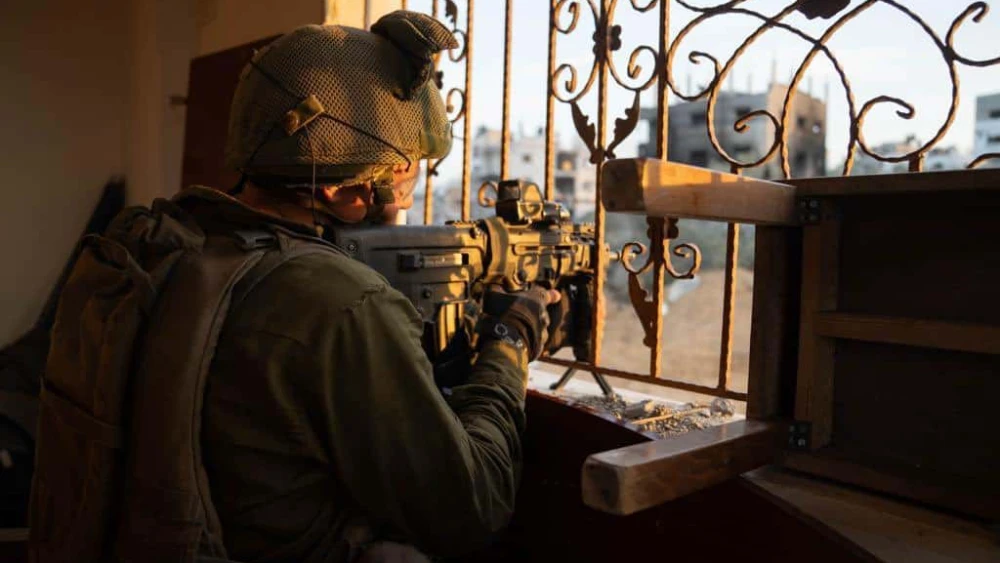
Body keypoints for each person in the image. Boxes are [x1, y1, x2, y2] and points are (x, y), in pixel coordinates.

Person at [190, 11, 557, 563]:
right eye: (406, 171)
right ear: (340, 190)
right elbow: (472, 506)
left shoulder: (183, 239)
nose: (410, 193)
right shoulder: (340, 302)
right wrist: (509, 343)